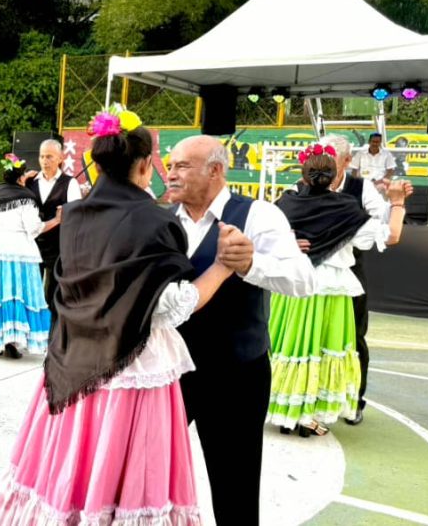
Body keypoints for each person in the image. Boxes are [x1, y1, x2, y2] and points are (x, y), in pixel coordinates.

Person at [0, 113, 236, 524]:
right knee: (123, 470)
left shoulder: (76, 214)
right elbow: (170, 307)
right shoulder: (156, 220)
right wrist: (223, 267)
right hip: (131, 364)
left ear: (98, 163)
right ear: (144, 165)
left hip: (74, 358)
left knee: (73, 466)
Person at [165, 135, 316, 526]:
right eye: (169, 165)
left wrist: (252, 264)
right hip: (166, 373)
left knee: (234, 486)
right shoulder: (162, 220)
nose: (171, 173)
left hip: (235, 373)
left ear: (215, 170)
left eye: (182, 166)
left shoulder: (259, 216)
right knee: (146, 473)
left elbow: (303, 280)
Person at [268, 144, 411, 436]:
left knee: (291, 347)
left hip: (293, 288)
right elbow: (392, 235)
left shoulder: (285, 204)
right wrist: (397, 202)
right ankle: (310, 413)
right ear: (335, 176)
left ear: (303, 175)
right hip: (332, 291)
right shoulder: (346, 207)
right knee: (323, 350)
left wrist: (286, 245)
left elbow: (261, 239)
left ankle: (289, 412)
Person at [319, 134, 391, 425]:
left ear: (347, 161)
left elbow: (381, 223)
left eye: (329, 156)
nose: (321, 162)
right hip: (309, 275)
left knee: (354, 336)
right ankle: (309, 400)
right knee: (309, 339)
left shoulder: (361, 189)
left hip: (348, 271)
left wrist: (350, 228)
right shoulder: (300, 187)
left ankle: (354, 401)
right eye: (318, 154)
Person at [0, 154, 56, 358]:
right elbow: (34, 228)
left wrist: (21, 180)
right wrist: (56, 220)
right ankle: (13, 338)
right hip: (16, 250)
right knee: (16, 291)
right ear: (20, 178)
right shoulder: (26, 199)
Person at [25, 139, 81, 316]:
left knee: (52, 292)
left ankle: (51, 333)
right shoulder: (30, 182)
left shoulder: (70, 184)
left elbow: (76, 216)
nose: (44, 161)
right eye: (42, 156)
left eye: (49, 156)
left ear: (60, 158)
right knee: (30, 291)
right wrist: (22, 182)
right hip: (32, 245)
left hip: (57, 247)